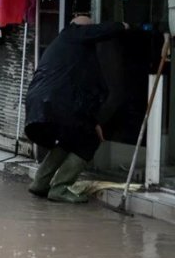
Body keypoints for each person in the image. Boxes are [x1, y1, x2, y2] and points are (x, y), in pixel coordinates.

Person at [24, 15, 128, 203]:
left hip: (40, 102)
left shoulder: (67, 48)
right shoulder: (74, 35)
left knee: (69, 138)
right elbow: (100, 31)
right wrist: (123, 25)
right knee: (89, 140)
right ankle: (61, 187)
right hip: (56, 102)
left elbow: (84, 92)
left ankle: (40, 182)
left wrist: (92, 120)